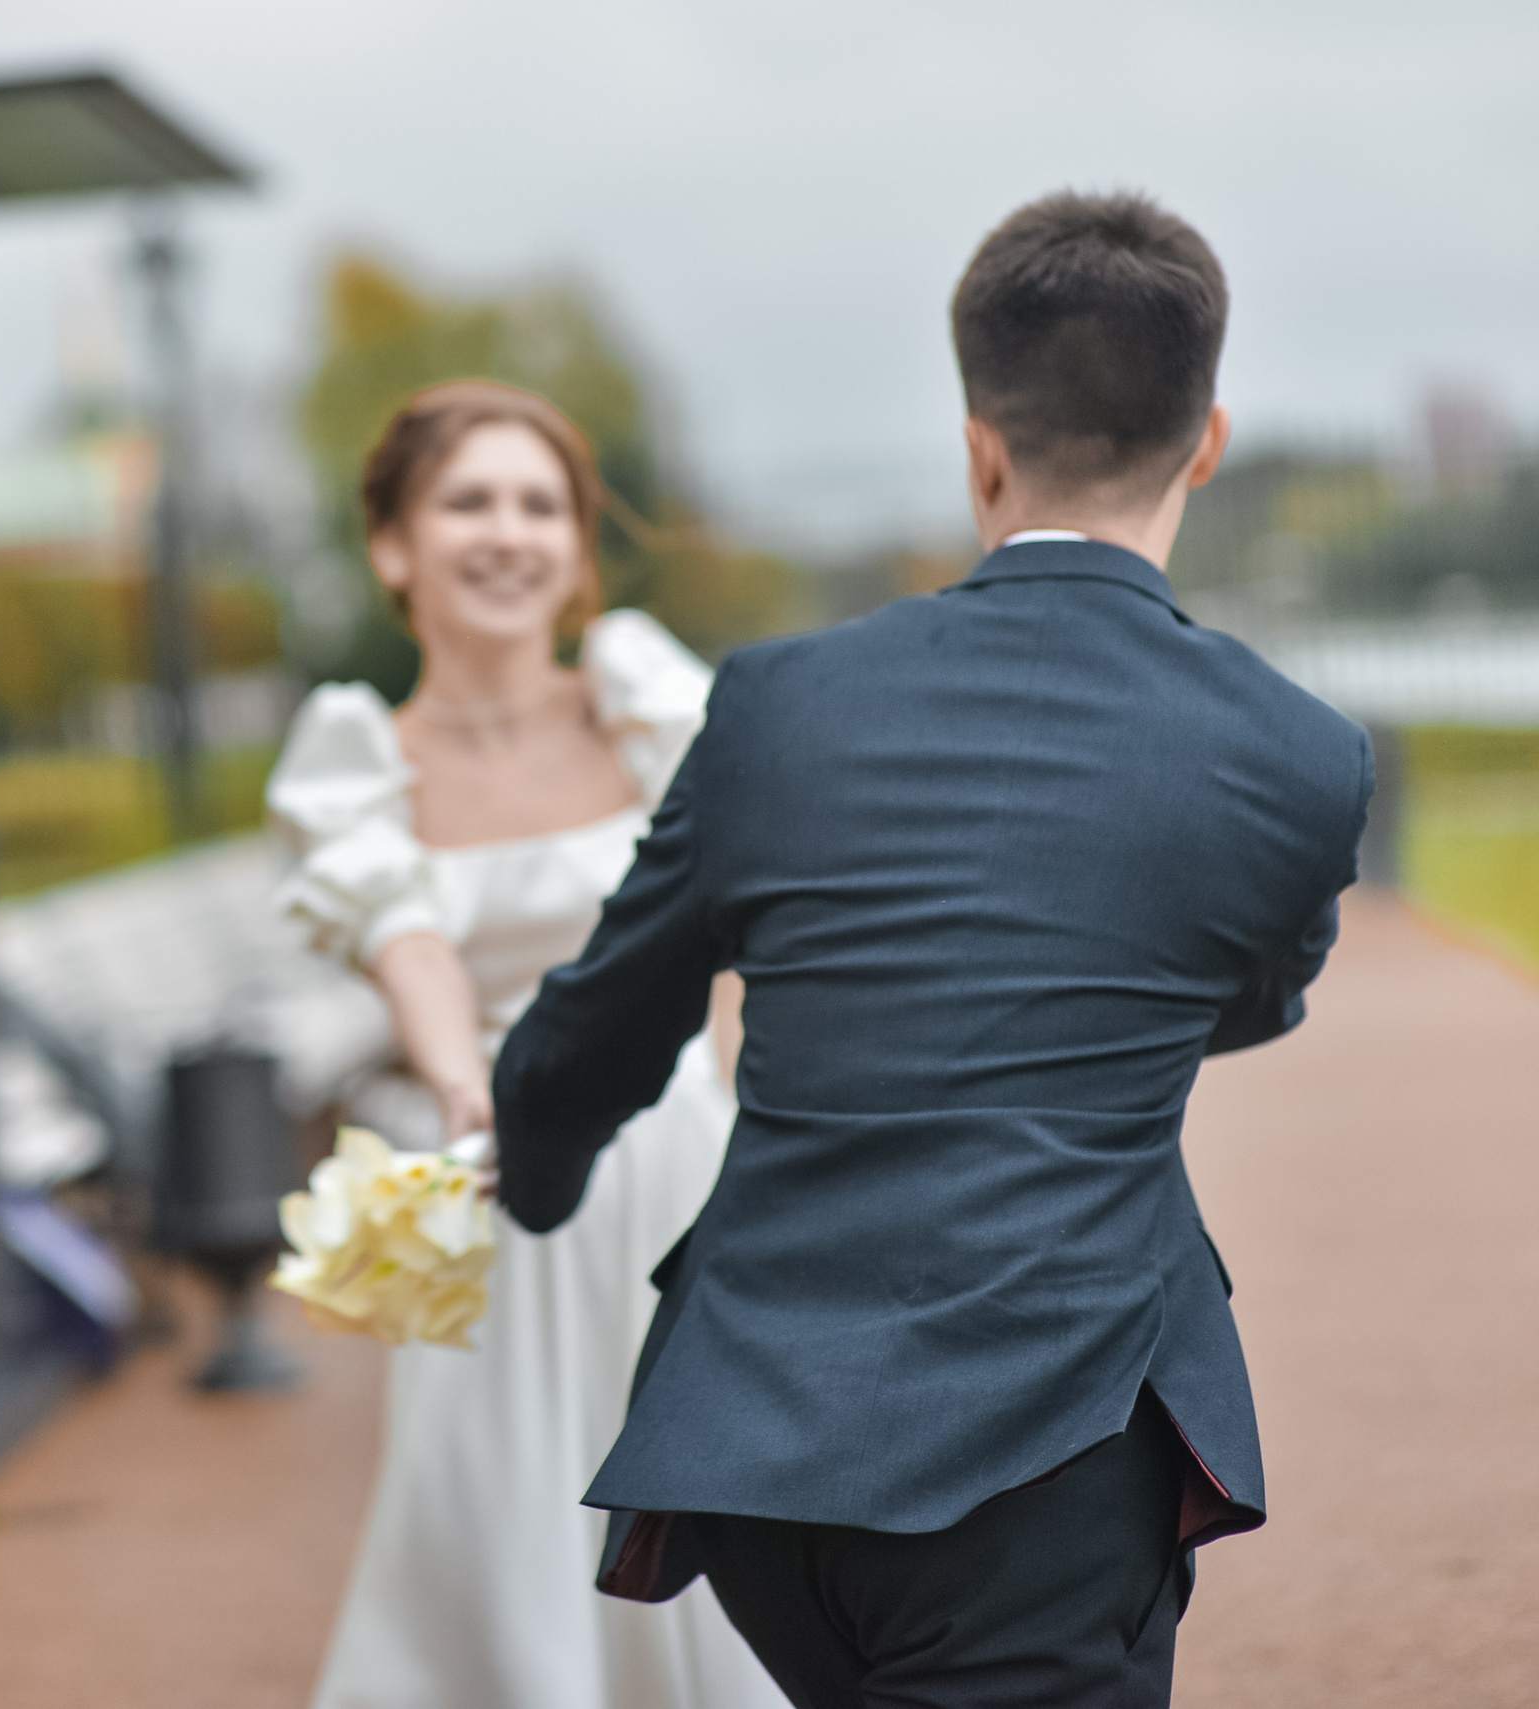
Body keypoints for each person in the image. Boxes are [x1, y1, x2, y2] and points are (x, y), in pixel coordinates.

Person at [493, 191, 1373, 1708]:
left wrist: (533, 1173)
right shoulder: (1299, 756)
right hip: (1045, 1454)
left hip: (755, 1447)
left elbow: (593, 1030)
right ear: (1207, 440)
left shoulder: (778, 704)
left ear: (980, 442)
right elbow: (1250, 995)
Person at [268, 382, 789, 1709]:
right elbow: (412, 945)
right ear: (393, 545)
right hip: (488, 1167)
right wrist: (466, 1086)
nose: (508, 533)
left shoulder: (646, 706)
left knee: (715, 1495)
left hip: (679, 1153)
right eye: (469, 502)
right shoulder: (350, 757)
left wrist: (745, 1108)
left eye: (539, 504)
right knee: (488, 1504)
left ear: (575, 546)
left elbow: (741, 910)